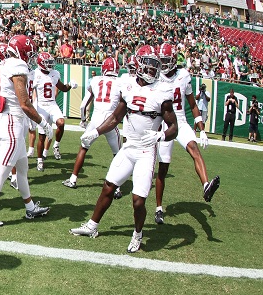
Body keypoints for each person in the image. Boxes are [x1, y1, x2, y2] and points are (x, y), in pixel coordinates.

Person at [70, 46, 178, 253]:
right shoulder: (127, 86)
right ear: (137, 65)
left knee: (138, 201)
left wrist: (161, 135)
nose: (153, 70)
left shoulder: (162, 91)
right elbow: (116, 118)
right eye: (149, 65)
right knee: (108, 187)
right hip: (128, 148)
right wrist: (96, 132)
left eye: (156, 66)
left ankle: (138, 233)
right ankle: (92, 225)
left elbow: (174, 127)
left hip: (146, 151)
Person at [0, 34, 51, 227]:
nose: (30, 57)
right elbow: (24, 103)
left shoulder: (3, 64)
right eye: (29, 53)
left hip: (10, 121)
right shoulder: (17, 66)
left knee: (23, 170)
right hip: (12, 122)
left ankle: (30, 207)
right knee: (2, 172)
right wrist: (42, 122)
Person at [153, 42, 219, 224]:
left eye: (166, 60)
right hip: (165, 124)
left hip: (180, 122)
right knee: (163, 168)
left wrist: (202, 129)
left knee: (194, 148)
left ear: (174, 60)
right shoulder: (156, 77)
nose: (163, 63)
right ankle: (159, 208)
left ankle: (206, 185)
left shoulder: (184, 76)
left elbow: (192, 104)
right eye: (162, 60)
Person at [62, 56, 122, 198]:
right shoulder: (121, 82)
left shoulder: (95, 81)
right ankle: (117, 187)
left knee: (83, 148)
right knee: (118, 155)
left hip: (95, 119)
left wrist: (83, 120)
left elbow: (83, 105)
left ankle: (73, 179)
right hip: (110, 121)